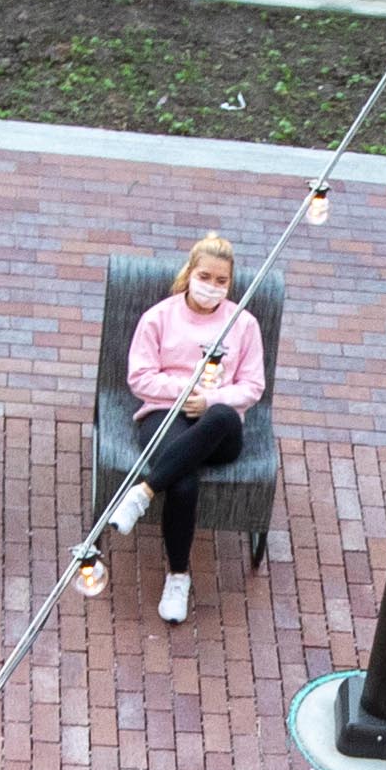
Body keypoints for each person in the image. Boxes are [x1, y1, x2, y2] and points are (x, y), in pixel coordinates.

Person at [100, 231, 267, 629]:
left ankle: (142, 492)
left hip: (219, 428)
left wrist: (209, 400)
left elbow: (253, 387)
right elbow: (140, 379)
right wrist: (185, 390)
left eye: (221, 281)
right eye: (205, 276)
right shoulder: (158, 318)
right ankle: (178, 576)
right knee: (184, 485)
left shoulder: (244, 324)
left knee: (224, 415)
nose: (212, 287)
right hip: (165, 413)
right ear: (190, 273)